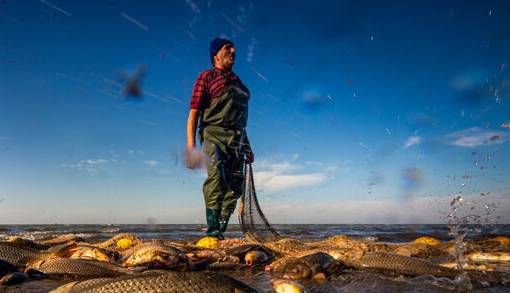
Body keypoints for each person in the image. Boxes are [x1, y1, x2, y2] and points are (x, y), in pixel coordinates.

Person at [186, 37, 254, 240]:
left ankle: (221, 233)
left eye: (234, 48)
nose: (233, 51)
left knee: (235, 186)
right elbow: (193, 114)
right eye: (227, 48)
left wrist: (247, 147)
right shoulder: (206, 77)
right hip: (213, 134)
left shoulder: (240, 85)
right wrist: (191, 148)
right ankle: (213, 233)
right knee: (216, 179)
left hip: (238, 138)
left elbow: (241, 121)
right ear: (215, 55)